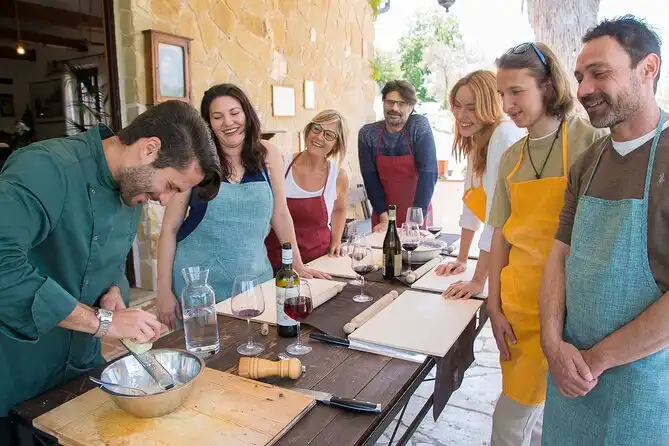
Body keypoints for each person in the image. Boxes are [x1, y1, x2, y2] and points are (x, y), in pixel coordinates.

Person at [0, 100, 221, 442]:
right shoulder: (45, 168)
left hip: (81, 371)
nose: (165, 201)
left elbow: (112, 262)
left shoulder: (131, 189)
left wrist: (113, 293)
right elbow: (3, 266)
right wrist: (103, 323)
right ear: (150, 149)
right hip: (18, 374)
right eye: (172, 187)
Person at [541, 16, 669, 445]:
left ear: (648, 69)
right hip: (569, 381)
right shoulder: (588, 162)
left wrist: (596, 360)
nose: (582, 90)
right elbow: (558, 256)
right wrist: (552, 344)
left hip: (642, 389)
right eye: (580, 77)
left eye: (600, 73)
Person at [487, 42, 607, 446]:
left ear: (547, 87)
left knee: (546, 418)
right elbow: (500, 234)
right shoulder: (511, 159)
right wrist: (493, 305)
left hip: (571, 308)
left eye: (516, 92)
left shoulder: (590, 141)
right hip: (520, 306)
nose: (507, 104)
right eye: (502, 94)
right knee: (515, 415)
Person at [156, 84, 327, 329]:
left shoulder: (268, 154)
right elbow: (170, 229)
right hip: (200, 289)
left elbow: (280, 213)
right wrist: (162, 291)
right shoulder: (194, 160)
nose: (228, 122)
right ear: (208, 124)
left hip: (255, 283)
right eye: (217, 117)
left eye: (234, 113)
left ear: (246, 113)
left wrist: (297, 265)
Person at [435, 70, 525, 299]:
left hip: (517, 255)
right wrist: (462, 258)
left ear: (489, 106)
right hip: (502, 250)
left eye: (471, 107)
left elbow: (498, 217)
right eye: (457, 105)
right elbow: (470, 206)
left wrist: (478, 281)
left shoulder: (503, 136)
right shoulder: (477, 139)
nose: (461, 114)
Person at [265, 110, 350, 269]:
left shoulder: (338, 176)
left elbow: (340, 209)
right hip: (277, 263)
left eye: (329, 135)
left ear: (337, 144)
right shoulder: (281, 165)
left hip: (319, 262)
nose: (319, 137)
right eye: (316, 129)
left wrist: (336, 240)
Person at [358, 80, 438, 231]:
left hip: (417, 210)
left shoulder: (418, 126)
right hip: (383, 212)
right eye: (390, 102)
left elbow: (429, 173)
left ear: (411, 107)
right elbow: (370, 178)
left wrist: (415, 221)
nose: (395, 108)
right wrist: (383, 217)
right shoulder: (368, 134)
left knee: (414, 252)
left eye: (402, 104)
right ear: (383, 103)